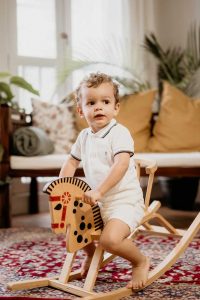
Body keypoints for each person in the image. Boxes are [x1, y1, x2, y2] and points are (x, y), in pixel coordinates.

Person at [59, 72, 150, 290]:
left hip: (124, 201)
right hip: (97, 202)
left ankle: (140, 261)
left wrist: (99, 191)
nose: (98, 107)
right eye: (91, 102)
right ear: (81, 110)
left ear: (116, 107)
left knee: (110, 240)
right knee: (73, 227)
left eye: (105, 102)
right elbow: (71, 162)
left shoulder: (119, 133)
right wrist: (61, 187)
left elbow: (120, 165)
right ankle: (91, 255)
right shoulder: (84, 136)